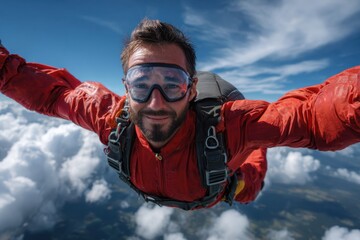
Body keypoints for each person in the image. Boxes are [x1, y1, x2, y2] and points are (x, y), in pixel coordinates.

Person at [0, 20, 359, 210]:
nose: (156, 102)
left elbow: (313, 118)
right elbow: (52, 92)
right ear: (125, 89)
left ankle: (251, 154)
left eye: (172, 82)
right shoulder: (109, 117)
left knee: (249, 177)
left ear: (190, 90)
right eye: (142, 83)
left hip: (229, 182)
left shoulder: (229, 125)